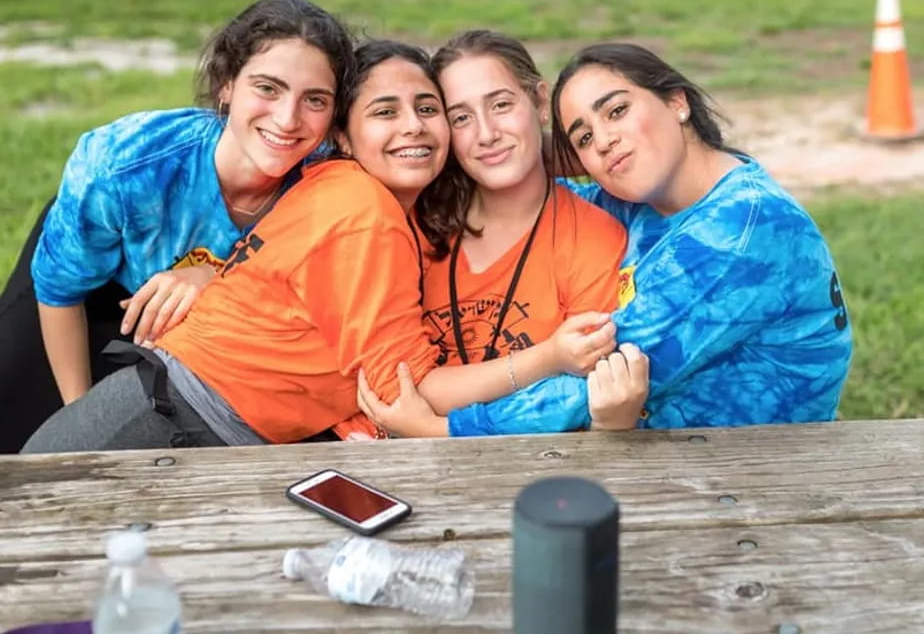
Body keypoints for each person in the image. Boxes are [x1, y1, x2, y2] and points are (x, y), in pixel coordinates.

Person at [22, 41, 615, 453]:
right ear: (342, 139)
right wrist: (547, 358)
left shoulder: (343, 187)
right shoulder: (367, 214)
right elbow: (403, 391)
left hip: (185, 414)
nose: (412, 125)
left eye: (428, 110)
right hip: (172, 423)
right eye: (384, 112)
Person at [358, 42, 852, 437]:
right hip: (660, 456)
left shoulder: (742, 228)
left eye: (616, 111)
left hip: (756, 474)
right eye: (585, 137)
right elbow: (536, 193)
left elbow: (595, 377)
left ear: (677, 101)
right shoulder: (650, 197)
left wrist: (442, 429)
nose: (605, 141)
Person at [0, 0, 356, 454]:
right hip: (91, 280)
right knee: (20, 414)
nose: (287, 120)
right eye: (268, 88)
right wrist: (80, 419)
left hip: (193, 317)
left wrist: (217, 276)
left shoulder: (330, 183)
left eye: (315, 100)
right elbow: (61, 293)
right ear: (227, 85)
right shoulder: (123, 165)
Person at [398, 30, 634, 419]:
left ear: (541, 102)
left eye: (502, 105)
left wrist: (427, 422)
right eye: (461, 117)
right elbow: (392, 378)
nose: (487, 134)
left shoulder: (593, 237)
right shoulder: (415, 221)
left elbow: (573, 399)